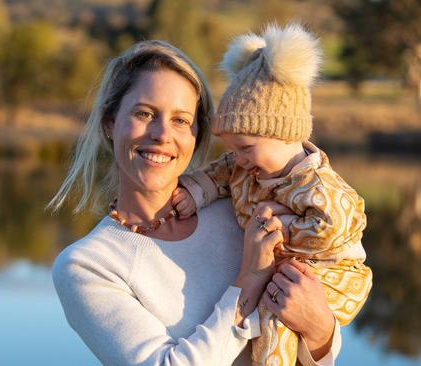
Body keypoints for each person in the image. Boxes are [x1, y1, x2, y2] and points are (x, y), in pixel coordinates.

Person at [49, 38, 341, 365]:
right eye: (145, 113)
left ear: (196, 134)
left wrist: (320, 331)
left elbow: (307, 325)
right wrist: (250, 277)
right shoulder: (87, 265)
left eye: (181, 120)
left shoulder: (242, 207)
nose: (162, 134)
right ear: (109, 123)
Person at [173, 23, 372, 366]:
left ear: (283, 134)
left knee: (274, 316)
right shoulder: (245, 167)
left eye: (246, 148)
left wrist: (281, 228)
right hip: (291, 275)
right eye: (233, 148)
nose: (238, 158)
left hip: (335, 274)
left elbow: (335, 226)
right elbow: (217, 174)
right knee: (273, 309)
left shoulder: (316, 185)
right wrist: (194, 192)